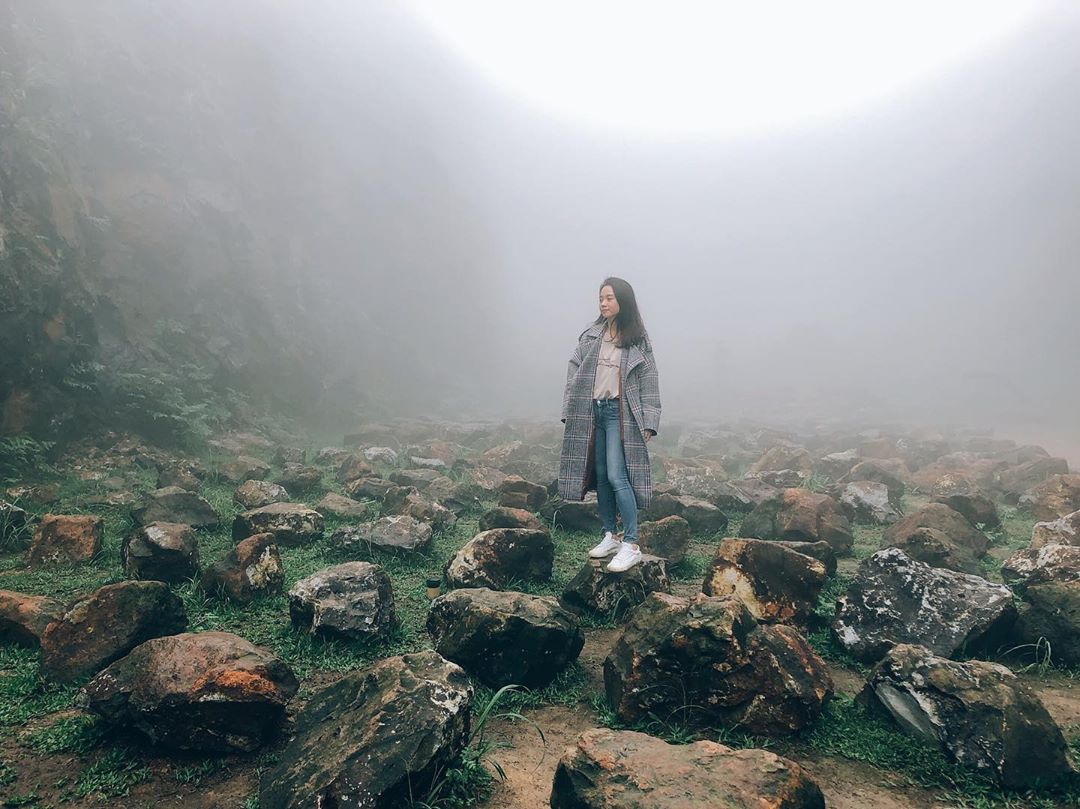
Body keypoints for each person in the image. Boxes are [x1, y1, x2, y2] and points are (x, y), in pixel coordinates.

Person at [558, 277, 661, 572]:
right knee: (601, 475)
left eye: (609, 298)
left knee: (618, 476)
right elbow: (573, 370)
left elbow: (649, 381)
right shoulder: (591, 336)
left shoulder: (638, 340)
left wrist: (650, 421)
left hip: (622, 414)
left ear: (623, 302)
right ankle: (610, 535)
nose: (603, 303)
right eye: (601, 298)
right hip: (593, 413)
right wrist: (570, 409)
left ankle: (631, 543)